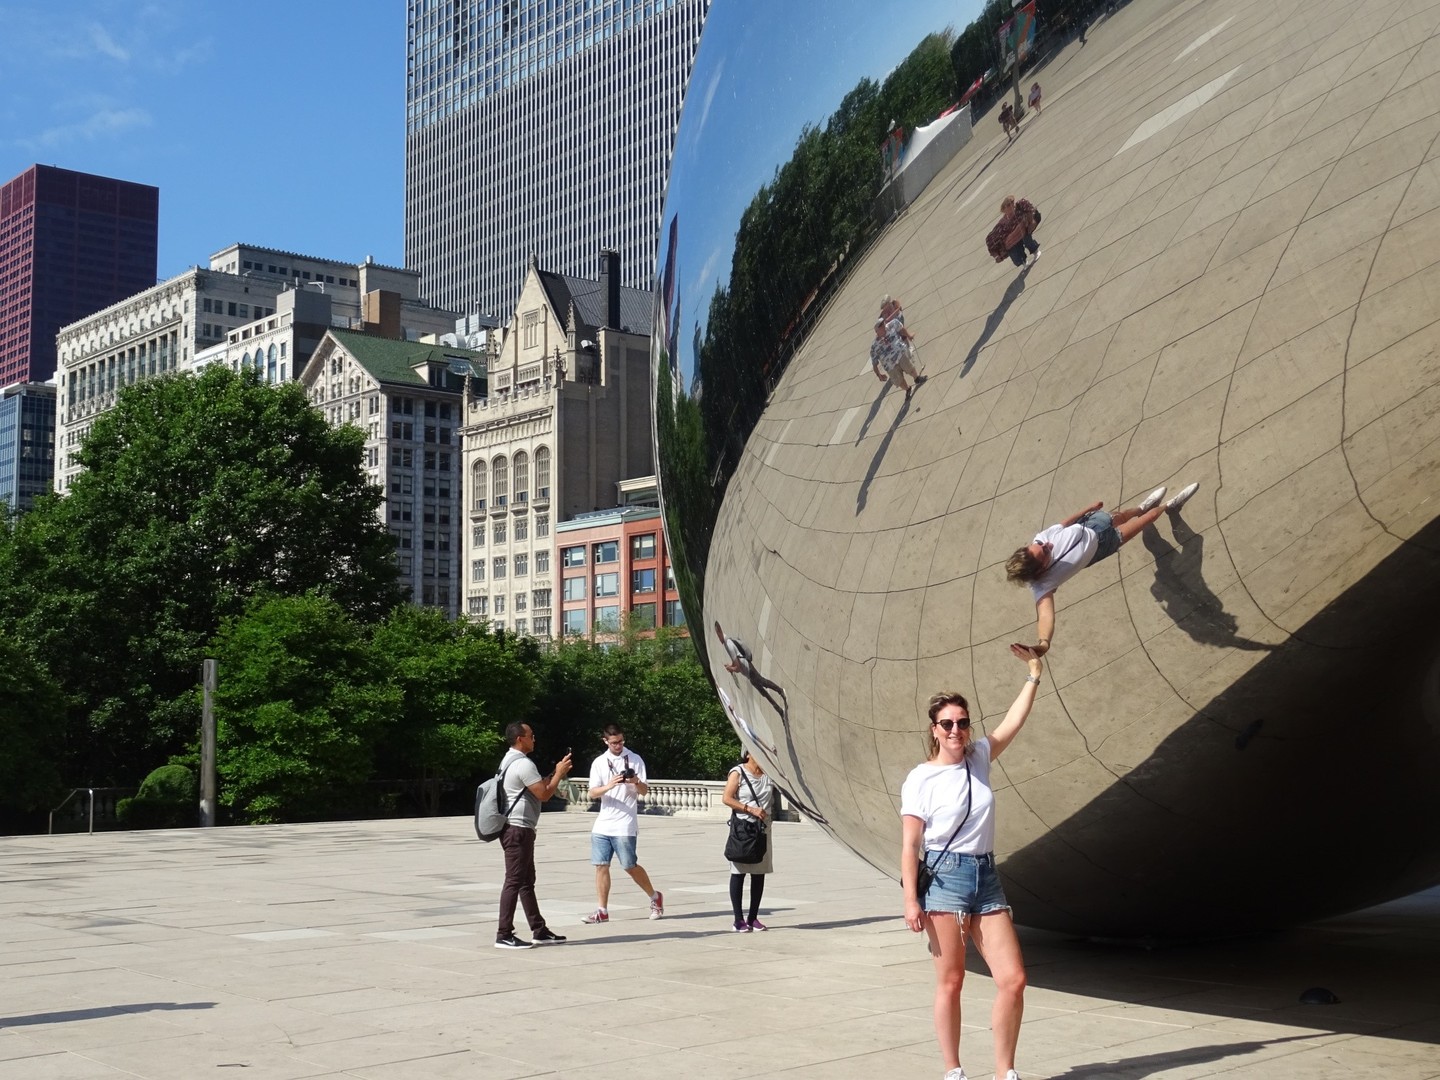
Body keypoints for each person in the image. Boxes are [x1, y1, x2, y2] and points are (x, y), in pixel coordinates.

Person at [900, 651, 1045, 1080]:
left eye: (962, 722)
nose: (956, 730)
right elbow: (910, 844)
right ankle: (953, 1070)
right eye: (948, 723)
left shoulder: (979, 758)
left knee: (1014, 979)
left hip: (986, 877)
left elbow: (1013, 722)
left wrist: (1033, 676)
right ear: (934, 729)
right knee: (952, 981)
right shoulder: (920, 779)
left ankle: (1005, 1071)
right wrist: (912, 900)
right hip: (944, 881)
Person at [1005, 482, 1200, 659]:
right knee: (1148, 520)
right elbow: (1046, 615)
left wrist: (1088, 509)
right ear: (1040, 571)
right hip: (1103, 546)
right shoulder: (1043, 583)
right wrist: (1044, 644)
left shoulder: (1041, 539)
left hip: (1091, 524)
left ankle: (1142, 507)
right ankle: (1169, 505)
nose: (1047, 544)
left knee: (1123, 515)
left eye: (1039, 545)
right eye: (1045, 551)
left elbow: (1064, 524)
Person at [495, 722, 573, 949]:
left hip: (517, 829)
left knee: (526, 882)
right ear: (521, 738)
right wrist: (559, 774)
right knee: (514, 881)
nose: (534, 739)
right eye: (531, 735)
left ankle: (539, 930)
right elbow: (544, 794)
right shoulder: (523, 764)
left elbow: (536, 787)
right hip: (518, 830)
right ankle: (504, 934)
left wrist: (554, 774)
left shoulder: (508, 760)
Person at [582, 723, 664, 923]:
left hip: (625, 823)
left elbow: (644, 791)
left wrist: (635, 781)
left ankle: (655, 896)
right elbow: (592, 792)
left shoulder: (634, 759)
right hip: (603, 823)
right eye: (614, 743)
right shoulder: (599, 762)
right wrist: (609, 785)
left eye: (620, 741)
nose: (618, 745)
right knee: (601, 865)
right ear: (605, 741)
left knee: (629, 865)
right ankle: (602, 910)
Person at [722, 751, 774, 932]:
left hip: (762, 829)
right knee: (739, 871)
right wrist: (750, 809)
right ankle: (738, 920)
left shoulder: (770, 773)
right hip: (743, 829)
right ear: (749, 753)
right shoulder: (738, 772)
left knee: (759, 872)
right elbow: (726, 798)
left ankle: (753, 918)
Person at [869, 316, 924, 399]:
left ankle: (917, 378)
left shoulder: (892, 325)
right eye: (880, 326)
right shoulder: (874, 346)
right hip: (890, 365)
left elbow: (901, 329)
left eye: (883, 324)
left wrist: (909, 336)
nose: (883, 326)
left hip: (900, 353)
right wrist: (879, 375)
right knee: (899, 381)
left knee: (910, 367)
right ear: (876, 331)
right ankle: (908, 389)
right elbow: (874, 363)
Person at [986, 196, 1041, 269]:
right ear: (1004, 210)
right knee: (1014, 250)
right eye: (1008, 205)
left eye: (1012, 202)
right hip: (1015, 239)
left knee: (1027, 239)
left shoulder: (1019, 208)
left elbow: (1029, 211)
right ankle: (1023, 262)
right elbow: (992, 238)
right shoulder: (1003, 223)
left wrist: (1030, 222)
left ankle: (1035, 251)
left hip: (1024, 231)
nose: (1012, 205)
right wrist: (998, 254)